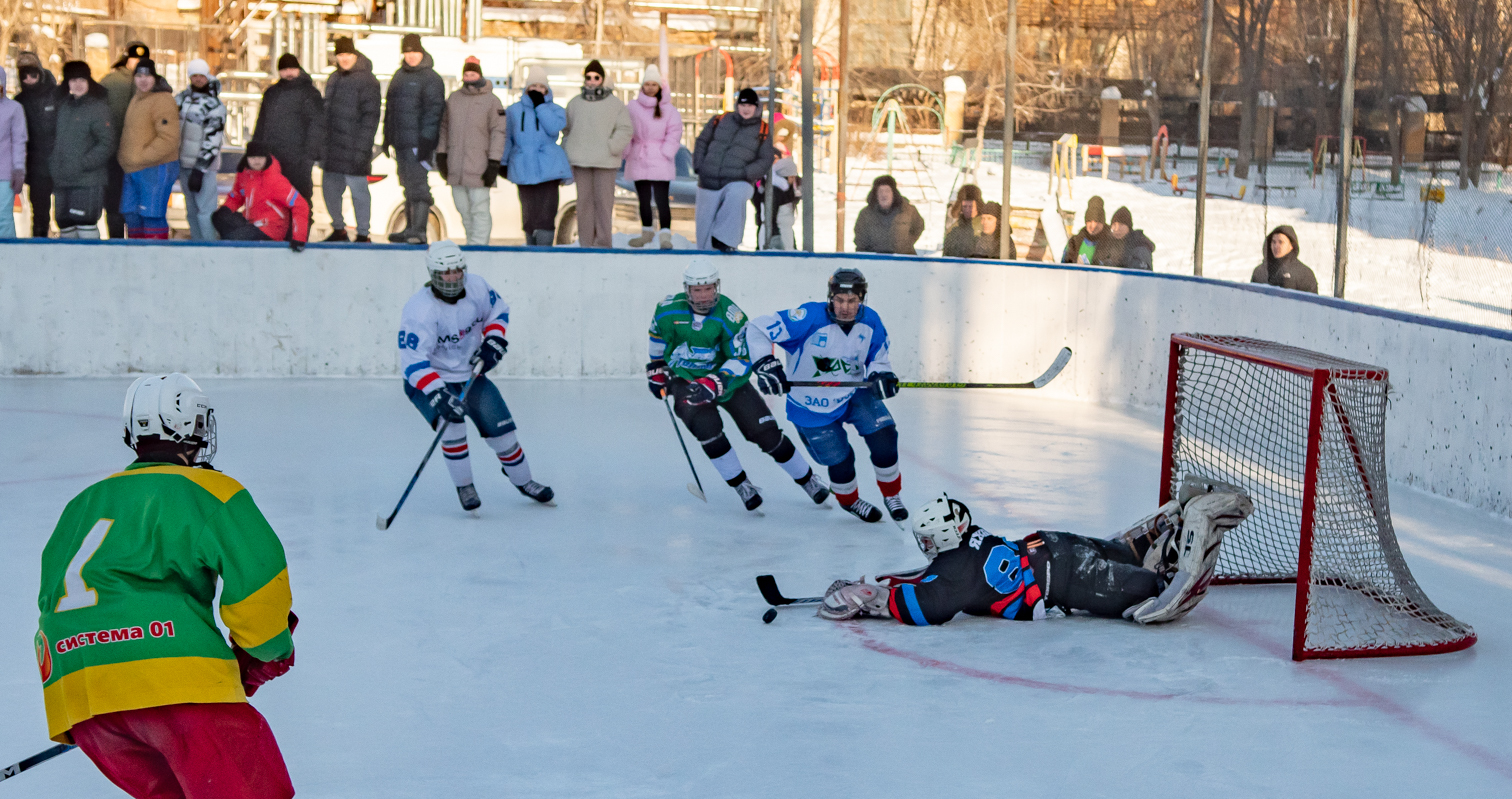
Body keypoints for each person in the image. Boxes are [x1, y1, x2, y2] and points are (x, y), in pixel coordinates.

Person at [35, 373, 298, 799]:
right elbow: (260, 586)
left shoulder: (80, 505)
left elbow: (50, 601)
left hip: (81, 697)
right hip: (179, 693)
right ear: (195, 427)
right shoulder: (210, 490)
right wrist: (270, 650)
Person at [815, 482, 1254, 626]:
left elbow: (929, 605)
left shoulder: (954, 572)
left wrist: (874, 598)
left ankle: (1199, 520)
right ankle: (1173, 516)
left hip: (1068, 579)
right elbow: (934, 578)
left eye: (928, 541)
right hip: (1053, 543)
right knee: (1123, 553)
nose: (925, 548)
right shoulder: (969, 536)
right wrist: (893, 579)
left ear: (944, 537)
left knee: (1154, 594)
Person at [647, 259, 828, 512]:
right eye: (697, 290)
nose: (703, 296)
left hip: (729, 382)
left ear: (716, 287)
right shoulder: (667, 311)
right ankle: (741, 484)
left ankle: (808, 480)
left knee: (766, 433)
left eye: (708, 288)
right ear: (687, 290)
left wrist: (715, 382)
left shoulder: (731, 315)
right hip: (686, 380)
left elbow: (742, 358)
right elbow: (657, 338)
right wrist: (656, 367)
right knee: (707, 430)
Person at [399, 241, 554, 510]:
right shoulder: (419, 310)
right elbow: (413, 362)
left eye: (457, 271)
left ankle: (524, 480)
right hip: (429, 381)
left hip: (470, 374)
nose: (452, 278)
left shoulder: (478, 287)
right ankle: (465, 486)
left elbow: (498, 312)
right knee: (452, 428)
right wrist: (437, 394)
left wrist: (494, 340)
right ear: (433, 274)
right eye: (445, 273)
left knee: (502, 434)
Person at [746, 268, 905, 524]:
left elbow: (878, 357)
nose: (845, 308)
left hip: (853, 392)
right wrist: (766, 364)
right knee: (841, 460)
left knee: (885, 436)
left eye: (852, 301)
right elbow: (757, 328)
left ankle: (892, 495)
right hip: (810, 405)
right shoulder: (808, 317)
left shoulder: (871, 320)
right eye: (839, 300)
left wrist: (881, 375)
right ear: (830, 297)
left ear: (862, 299)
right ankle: (850, 501)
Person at [562, 59, 633, 248]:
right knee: (583, 204)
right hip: (581, 160)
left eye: (596, 77)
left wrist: (612, 147)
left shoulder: (615, 104)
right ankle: (585, 243)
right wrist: (569, 149)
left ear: (602, 79)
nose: (592, 81)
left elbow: (625, 129)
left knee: (604, 204)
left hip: (606, 162)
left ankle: (603, 244)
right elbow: (567, 130)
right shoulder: (574, 103)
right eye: (589, 77)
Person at [382, 34, 445, 244]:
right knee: (407, 185)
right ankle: (409, 228)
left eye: (414, 52)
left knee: (419, 186)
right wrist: (387, 137)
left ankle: (419, 230)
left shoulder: (431, 78)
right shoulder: (399, 76)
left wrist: (427, 141)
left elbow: (434, 112)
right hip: (401, 142)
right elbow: (390, 109)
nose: (411, 56)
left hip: (419, 143)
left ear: (421, 52)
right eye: (407, 52)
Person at [692, 87, 772, 251]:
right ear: (737, 105)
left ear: (757, 107)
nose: (746, 109)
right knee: (703, 230)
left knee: (737, 194)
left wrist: (746, 173)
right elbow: (702, 141)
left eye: (750, 105)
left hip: (738, 179)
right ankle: (704, 256)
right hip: (708, 179)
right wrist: (700, 165)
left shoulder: (762, 129)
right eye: (743, 105)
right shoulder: (720, 119)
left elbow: (765, 159)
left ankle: (725, 240)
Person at [437, 56, 504, 246]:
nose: (469, 78)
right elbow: (444, 128)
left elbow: (499, 132)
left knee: (479, 210)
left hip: (480, 167)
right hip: (456, 167)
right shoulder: (454, 99)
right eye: (466, 74)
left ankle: (479, 246)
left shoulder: (492, 101)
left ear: (480, 75)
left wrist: (494, 161)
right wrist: (441, 154)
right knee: (463, 210)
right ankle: (470, 244)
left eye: (473, 74)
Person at [321, 37, 382, 243]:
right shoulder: (333, 79)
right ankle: (338, 228)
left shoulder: (367, 81)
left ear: (354, 55)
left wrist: (363, 148)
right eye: (340, 55)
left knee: (359, 193)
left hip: (355, 148)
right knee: (330, 191)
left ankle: (363, 233)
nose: (344, 58)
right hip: (332, 148)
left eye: (347, 54)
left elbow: (371, 117)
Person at [502, 66, 571, 246]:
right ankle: (530, 248)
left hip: (548, 167)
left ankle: (545, 250)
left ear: (547, 89)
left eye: (541, 87)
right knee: (528, 214)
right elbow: (508, 137)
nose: (537, 90)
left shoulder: (555, 110)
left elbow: (554, 128)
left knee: (546, 213)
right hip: (522, 166)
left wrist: (541, 106)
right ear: (526, 88)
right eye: (533, 86)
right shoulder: (514, 110)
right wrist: (503, 162)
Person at [252, 53, 323, 217]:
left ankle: (300, 232)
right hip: (273, 159)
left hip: (298, 160)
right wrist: (255, 152)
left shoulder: (310, 93)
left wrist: (309, 155)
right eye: (284, 69)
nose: (288, 72)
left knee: (300, 202)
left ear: (298, 69)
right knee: (274, 201)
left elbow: (317, 126)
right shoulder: (271, 93)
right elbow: (261, 124)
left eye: (292, 68)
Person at [116, 58, 179, 239]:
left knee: (152, 216)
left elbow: (169, 138)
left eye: (147, 75)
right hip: (132, 168)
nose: (143, 80)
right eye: (139, 75)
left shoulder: (163, 100)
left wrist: (141, 156)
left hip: (155, 167)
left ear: (155, 77)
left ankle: (155, 253)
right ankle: (137, 254)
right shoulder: (137, 98)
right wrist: (126, 157)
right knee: (131, 216)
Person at [50, 61, 113, 238]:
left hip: (88, 180)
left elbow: (107, 143)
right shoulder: (63, 107)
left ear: (89, 81)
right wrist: (54, 165)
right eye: (73, 80)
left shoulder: (98, 108)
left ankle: (92, 258)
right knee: (65, 226)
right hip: (62, 179)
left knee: (85, 224)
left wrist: (83, 164)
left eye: (82, 80)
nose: (78, 84)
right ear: (67, 83)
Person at [624, 65, 682, 249]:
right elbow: (626, 129)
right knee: (643, 199)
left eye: (653, 84)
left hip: (660, 159)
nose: (650, 88)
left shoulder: (669, 109)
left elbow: (675, 131)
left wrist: (666, 151)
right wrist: (626, 151)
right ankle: (646, 232)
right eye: (647, 84)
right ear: (642, 86)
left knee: (662, 199)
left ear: (659, 87)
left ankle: (665, 235)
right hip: (639, 156)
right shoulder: (632, 107)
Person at [212, 140, 309, 250]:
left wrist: (299, 237)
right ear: (247, 158)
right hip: (251, 222)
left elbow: (300, 205)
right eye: (253, 157)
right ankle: (236, 249)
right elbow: (237, 196)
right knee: (219, 218)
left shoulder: (275, 180)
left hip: (270, 228)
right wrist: (226, 208)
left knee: (233, 240)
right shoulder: (245, 174)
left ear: (266, 158)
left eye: (260, 157)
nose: (256, 161)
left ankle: (234, 252)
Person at [99, 42, 148, 238]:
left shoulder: (110, 81)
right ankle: (122, 241)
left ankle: (120, 241)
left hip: (128, 153)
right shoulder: (112, 82)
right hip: (122, 153)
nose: (137, 63)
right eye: (134, 58)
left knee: (119, 202)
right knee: (121, 202)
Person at [175, 59, 226, 241]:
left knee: (205, 212)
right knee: (191, 212)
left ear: (207, 76)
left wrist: (201, 168)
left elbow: (213, 139)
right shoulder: (182, 99)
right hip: (184, 165)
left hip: (203, 169)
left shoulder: (214, 105)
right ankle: (196, 246)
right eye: (194, 75)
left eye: (201, 76)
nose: (198, 79)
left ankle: (210, 247)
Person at [15, 52, 58, 237]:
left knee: (66, 214)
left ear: (40, 73)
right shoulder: (19, 101)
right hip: (36, 166)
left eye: (32, 74)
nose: (29, 79)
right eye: (24, 76)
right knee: (39, 214)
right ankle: (39, 243)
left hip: (60, 162)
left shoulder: (56, 95)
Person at [853, 175, 924, 255]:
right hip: (874, 260)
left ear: (893, 193)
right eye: (880, 191)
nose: (884, 195)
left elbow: (919, 226)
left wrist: (907, 244)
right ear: (875, 194)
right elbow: (860, 240)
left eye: (887, 191)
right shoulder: (865, 214)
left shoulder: (908, 211)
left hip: (903, 258)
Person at [753, 145, 798, 250]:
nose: (793, 180)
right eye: (791, 177)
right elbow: (770, 218)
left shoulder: (785, 190)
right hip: (777, 238)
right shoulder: (775, 191)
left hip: (783, 236)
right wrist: (775, 240)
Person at [1251, 225, 1318, 293]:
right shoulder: (1260, 271)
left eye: (1281, 242)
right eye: (1273, 242)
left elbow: (1311, 299)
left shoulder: (1304, 274)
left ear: (1291, 246)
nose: (1276, 246)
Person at [0, 67, 26, 238]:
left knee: (3, 217)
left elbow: (18, 140)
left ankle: (7, 250)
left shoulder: (13, 109)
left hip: (4, 173)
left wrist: (18, 168)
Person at [1090, 206, 1154, 270]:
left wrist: (1115, 263)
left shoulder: (1140, 243)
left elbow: (1141, 270)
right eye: (1114, 225)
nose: (1117, 229)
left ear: (1129, 227)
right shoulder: (1105, 243)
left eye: (1121, 225)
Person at [941, 184, 986, 258]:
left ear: (977, 206)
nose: (968, 210)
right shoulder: (954, 228)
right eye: (965, 206)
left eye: (971, 206)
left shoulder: (985, 225)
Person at [1061, 195, 1109, 264]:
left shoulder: (1112, 242)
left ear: (1103, 223)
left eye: (1097, 221)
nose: (1093, 226)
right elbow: (1064, 266)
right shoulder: (1074, 242)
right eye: (1089, 221)